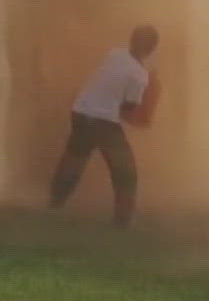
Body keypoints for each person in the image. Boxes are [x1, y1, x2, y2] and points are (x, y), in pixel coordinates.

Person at [49, 25, 159, 227]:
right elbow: (127, 109)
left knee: (74, 161)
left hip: (81, 112)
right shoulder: (139, 76)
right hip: (104, 122)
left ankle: (54, 204)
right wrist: (143, 121)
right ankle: (122, 223)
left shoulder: (115, 54)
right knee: (126, 173)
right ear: (152, 49)